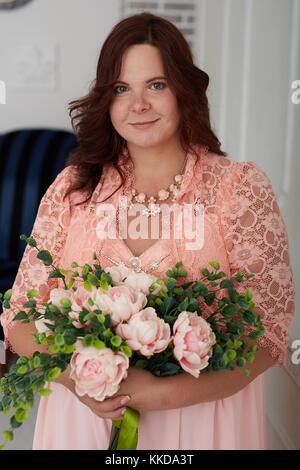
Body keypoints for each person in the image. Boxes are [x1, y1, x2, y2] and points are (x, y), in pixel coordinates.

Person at [0, 13, 295, 450]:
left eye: (156, 85)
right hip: (82, 420)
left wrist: (160, 394)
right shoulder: (74, 188)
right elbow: (19, 315)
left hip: (200, 423)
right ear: (106, 99)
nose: (138, 104)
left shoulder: (237, 189)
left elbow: (269, 333)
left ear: (184, 90)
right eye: (122, 89)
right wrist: (80, 380)